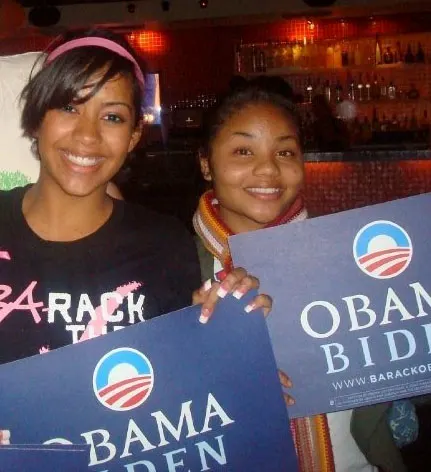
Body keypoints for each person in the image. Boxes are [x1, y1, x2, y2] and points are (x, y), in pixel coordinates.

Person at [0, 29, 272, 442]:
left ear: (132, 137)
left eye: (112, 116)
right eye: (69, 107)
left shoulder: (163, 244)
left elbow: (182, 387)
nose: (88, 136)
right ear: (37, 119)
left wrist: (225, 335)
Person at [193, 79, 383, 471]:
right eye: (243, 151)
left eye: (285, 151)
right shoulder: (170, 267)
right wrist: (193, 347)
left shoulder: (350, 257)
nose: (267, 169)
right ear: (206, 163)